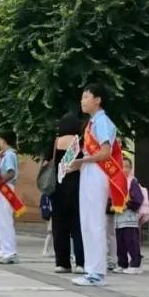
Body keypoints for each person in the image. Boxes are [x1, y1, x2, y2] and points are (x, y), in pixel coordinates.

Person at [69, 83, 126, 287]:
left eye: (86, 96)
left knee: (94, 222)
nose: (82, 100)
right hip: (89, 171)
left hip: (97, 172)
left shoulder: (102, 121)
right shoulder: (92, 123)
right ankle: (91, 270)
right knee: (86, 222)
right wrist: (79, 164)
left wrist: (82, 161)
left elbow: (105, 153)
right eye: (82, 97)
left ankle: (97, 273)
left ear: (98, 100)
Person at [47, 113, 85, 274]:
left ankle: (62, 263)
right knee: (78, 227)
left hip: (58, 189)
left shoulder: (55, 142)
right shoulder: (80, 142)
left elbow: (46, 162)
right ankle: (81, 263)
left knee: (59, 227)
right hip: (77, 188)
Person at [0, 132, 23, 264]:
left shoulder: (9, 155)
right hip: (3, 189)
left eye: (0, 140)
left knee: (6, 221)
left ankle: (9, 252)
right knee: (2, 222)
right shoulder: (6, 154)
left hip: (6, 189)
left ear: (4, 140)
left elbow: (11, 173)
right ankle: (4, 251)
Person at [114, 157, 144, 274]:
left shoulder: (132, 182)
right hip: (118, 219)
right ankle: (122, 263)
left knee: (131, 241)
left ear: (131, 169)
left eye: (127, 167)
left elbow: (138, 198)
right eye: (122, 166)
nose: (124, 169)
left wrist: (127, 205)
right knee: (120, 243)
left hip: (129, 218)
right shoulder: (115, 182)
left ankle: (136, 264)